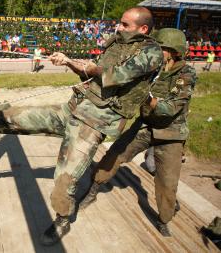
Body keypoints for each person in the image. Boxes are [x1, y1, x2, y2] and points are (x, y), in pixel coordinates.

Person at [0, 7, 163, 245]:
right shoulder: (115, 43)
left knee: (65, 177)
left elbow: (113, 75)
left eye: (126, 25)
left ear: (143, 28)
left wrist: (86, 66)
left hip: (95, 123)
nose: (119, 27)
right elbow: (89, 75)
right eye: (120, 23)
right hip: (74, 108)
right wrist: (68, 62)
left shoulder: (150, 52)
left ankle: (63, 218)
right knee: (16, 116)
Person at [78, 28, 196, 237]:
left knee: (167, 183)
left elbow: (170, 108)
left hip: (171, 133)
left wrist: (147, 97)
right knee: (113, 155)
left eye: (163, 49)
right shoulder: (152, 67)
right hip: (144, 125)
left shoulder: (185, 74)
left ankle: (163, 219)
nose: (158, 52)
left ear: (175, 51)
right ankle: (93, 189)